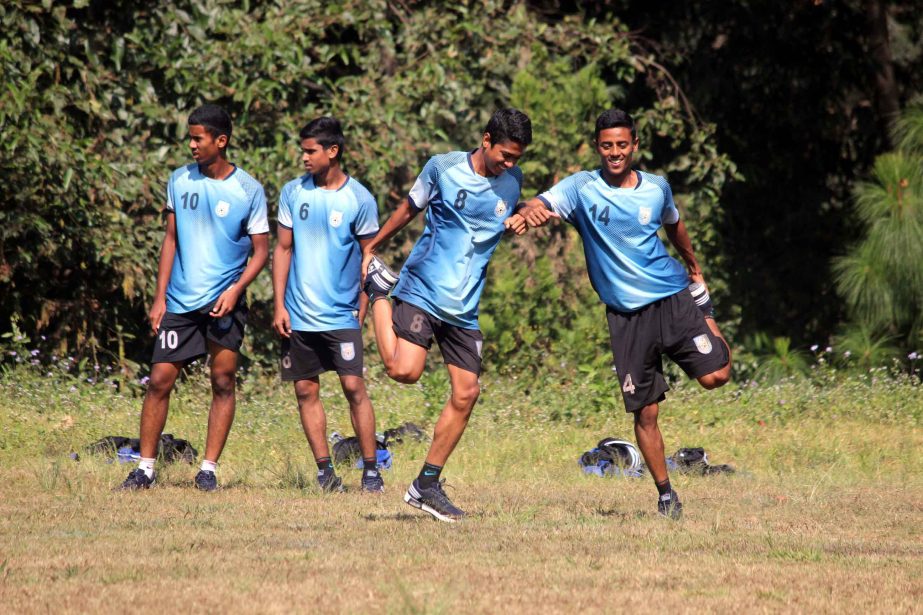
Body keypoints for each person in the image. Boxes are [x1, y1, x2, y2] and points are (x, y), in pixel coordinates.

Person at [517, 108, 731, 519]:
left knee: (716, 376)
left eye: (621, 145)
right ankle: (666, 494)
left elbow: (676, 225)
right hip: (627, 317)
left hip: (672, 298)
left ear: (634, 145)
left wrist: (694, 268)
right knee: (646, 413)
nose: (614, 153)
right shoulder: (581, 187)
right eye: (606, 146)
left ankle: (706, 310)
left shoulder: (656, 188)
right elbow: (540, 202)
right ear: (597, 147)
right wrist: (528, 212)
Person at [360, 109, 531, 522]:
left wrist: (520, 217)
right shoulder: (443, 167)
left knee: (466, 392)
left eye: (517, 157)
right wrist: (373, 247)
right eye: (505, 154)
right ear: (486, 139)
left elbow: (509, 209)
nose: (510, 163)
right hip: (423, 288)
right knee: (404, 371)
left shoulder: (514, 179)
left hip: (464, 304)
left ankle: (426, 485)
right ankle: (380, 293)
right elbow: (409, 208)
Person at [119, 104, 270, 491]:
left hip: (224, 304)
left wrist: (236, 291)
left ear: (221, 141)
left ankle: (207, 469)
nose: (192, 145)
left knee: (222, 381)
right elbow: (170, 240)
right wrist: (159, 298)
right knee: (158, 380)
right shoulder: (179, 180)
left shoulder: (248, 190)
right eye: (190, 137)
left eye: (198, 138)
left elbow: (262, 251)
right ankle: (145, 469)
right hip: (181, 302)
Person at [272, 116, 384, 493]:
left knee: (354, 387)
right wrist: (279, 305)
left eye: (310, 150)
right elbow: (283, 248)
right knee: (306, 391)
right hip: (299, 314)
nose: (304, 157)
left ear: (332, 151)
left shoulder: (360, 199)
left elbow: (370, 257)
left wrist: (362, 309)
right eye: (302, 150)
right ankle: (325, 472)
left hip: (341, 314)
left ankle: (371, 471)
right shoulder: (292, 192)